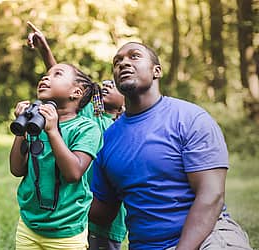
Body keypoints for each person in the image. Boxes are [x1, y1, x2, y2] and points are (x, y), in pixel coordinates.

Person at [89, 41, 253, 249]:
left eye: (134, 56)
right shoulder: (108, 138)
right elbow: (103, 213)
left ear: (156, 71)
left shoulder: (190, 118)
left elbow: (211, 196)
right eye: (117, 61)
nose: (123, 63)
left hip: (208, 236)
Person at [26, 21, 127, 250]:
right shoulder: (90, 113)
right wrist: (45, 51)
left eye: (117, 85)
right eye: (107, 81)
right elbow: (64, 85)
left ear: (127, 99)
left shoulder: (124, 125)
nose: (109, 84)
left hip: (106, 214)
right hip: (75, 205)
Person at [9, 62, 105, 249]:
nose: (45, 77)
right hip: (30, 224)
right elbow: (17, 169)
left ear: (77, 92)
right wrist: (20, 131)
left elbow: (73, 173)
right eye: (46, 74)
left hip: (66, 230)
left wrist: (53, 131)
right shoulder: (35, 125)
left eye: (57, 74)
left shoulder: (86, 128)